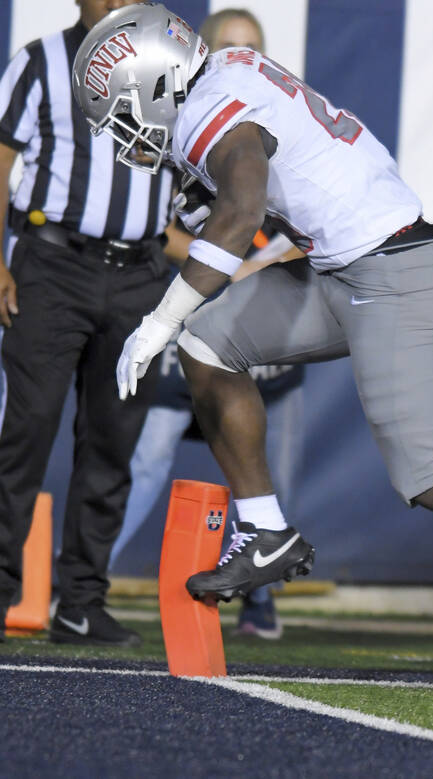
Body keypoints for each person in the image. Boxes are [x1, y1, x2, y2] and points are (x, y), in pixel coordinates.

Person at [71, 4, 433, 629]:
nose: (125, 130)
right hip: (343, 268)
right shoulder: (226, 67)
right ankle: (266, 533)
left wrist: (159, 320)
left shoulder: (208, 108)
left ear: (152, 79)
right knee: (209, 343)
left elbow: (242, 212)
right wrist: (210, 195)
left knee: (431, 474)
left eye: (122, 109)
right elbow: (276, 162)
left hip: (399, 276)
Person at [108, 7, 305, 640]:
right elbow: (163, 230)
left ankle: (261, 595)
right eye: (231, 47)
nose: (241, 56)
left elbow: (319, 225)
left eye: (252, 48)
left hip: (266, 310)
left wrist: (256, 267)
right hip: (196, 309)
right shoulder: (179, 130)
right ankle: (91, 578)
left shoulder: (281, 117)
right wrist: (219, 264)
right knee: (152, 452)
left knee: (260, 460)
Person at [0, 0, 192, 647]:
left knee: (113, 443)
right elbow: (0, 156)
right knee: (25, 431)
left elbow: (193, 170)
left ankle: (82, 599)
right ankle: (0, 587)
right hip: (53, 265)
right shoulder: (40, 61)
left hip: (139, 272)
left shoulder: (172, 65)